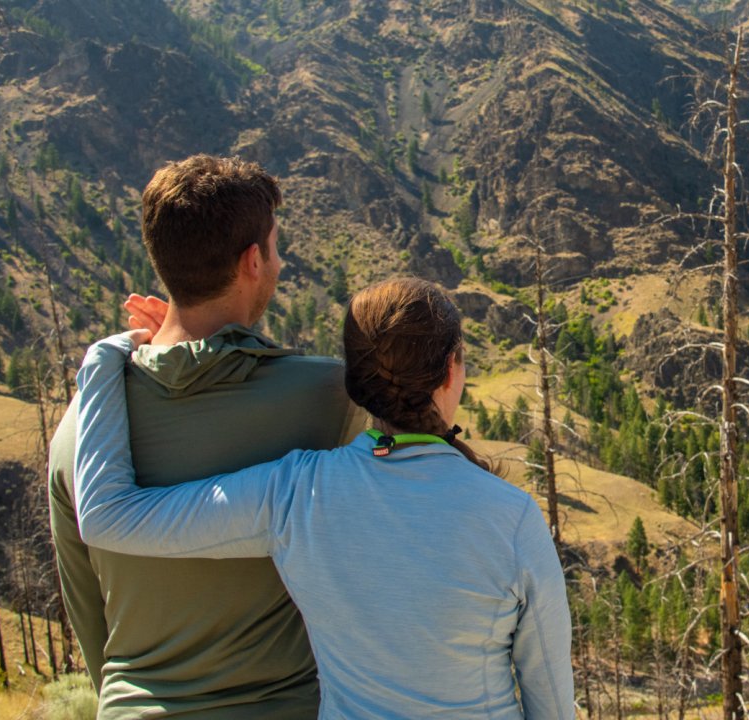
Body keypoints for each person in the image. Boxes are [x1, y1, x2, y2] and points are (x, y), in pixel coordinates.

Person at [72, 278, 574, 719]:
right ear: (451, 370)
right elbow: (550, 700)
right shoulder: (511, 519)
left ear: (355, 384)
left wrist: (109, 357)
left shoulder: (296, 495)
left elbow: (108, 519)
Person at [48, 155, 361, 717]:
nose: (281, 263)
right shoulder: (328, 399)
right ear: (251, 262)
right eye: (275, 248)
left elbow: (88, 612)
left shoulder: (81, 426)